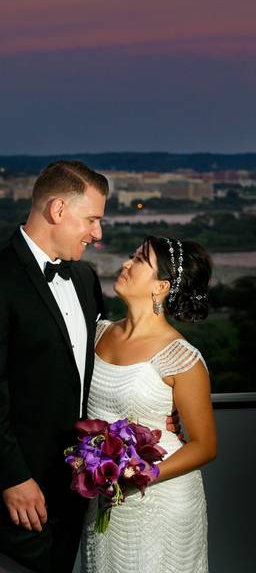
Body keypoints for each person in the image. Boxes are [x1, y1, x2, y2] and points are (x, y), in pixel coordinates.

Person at [0, 160, 109, 572]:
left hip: (73, 481)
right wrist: (11, 479)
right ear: (57, 210)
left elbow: (94, 372)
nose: (98, 233)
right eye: (91, 219)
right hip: (10, 488)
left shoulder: (86, 279)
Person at [81, 237, 216, 572]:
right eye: (131, 256)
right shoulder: (97, 334)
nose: (126, 264)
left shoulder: (181, 358)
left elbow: (204, 445)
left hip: (161, 499)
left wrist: (139, 475)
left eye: (139, 260)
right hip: (103, 497)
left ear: (161, 286)